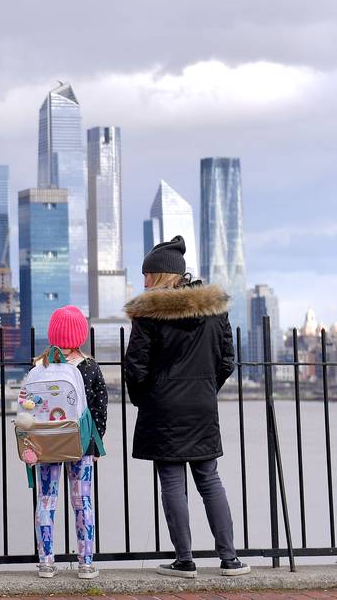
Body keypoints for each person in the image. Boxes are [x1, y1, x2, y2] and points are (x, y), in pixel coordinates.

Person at [123, 235, 251, 577]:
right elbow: (226, 360)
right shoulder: (213, 310)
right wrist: (205, 390)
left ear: (158, 276)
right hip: (202, 407)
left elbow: (135, 367)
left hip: (162, 409)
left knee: (172, 482)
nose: (143, 281)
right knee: (210, 479)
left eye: (146, 275)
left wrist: (146, 400)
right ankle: (230, 559)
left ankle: (185, 560)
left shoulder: (149, 314)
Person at [28, 305, 107, 580]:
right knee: (82, 501)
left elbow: (29, 406)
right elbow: (99, 409)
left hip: (47, 443)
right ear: (81, 336)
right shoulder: (89, 367)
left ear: (52, 334)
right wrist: (96, 446)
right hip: (81, 444)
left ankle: (46, 562)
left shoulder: (40, 367)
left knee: (46, 500)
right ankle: (86, 562)